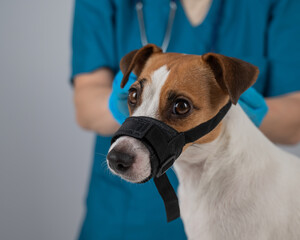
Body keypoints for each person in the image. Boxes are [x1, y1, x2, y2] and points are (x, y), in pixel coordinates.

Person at [72, 0, 300, 239]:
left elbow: (296, 119)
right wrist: (120, 104)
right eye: (134, 95)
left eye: (181, 107)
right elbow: (86, 103)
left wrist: (251, 112)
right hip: (123, 217)